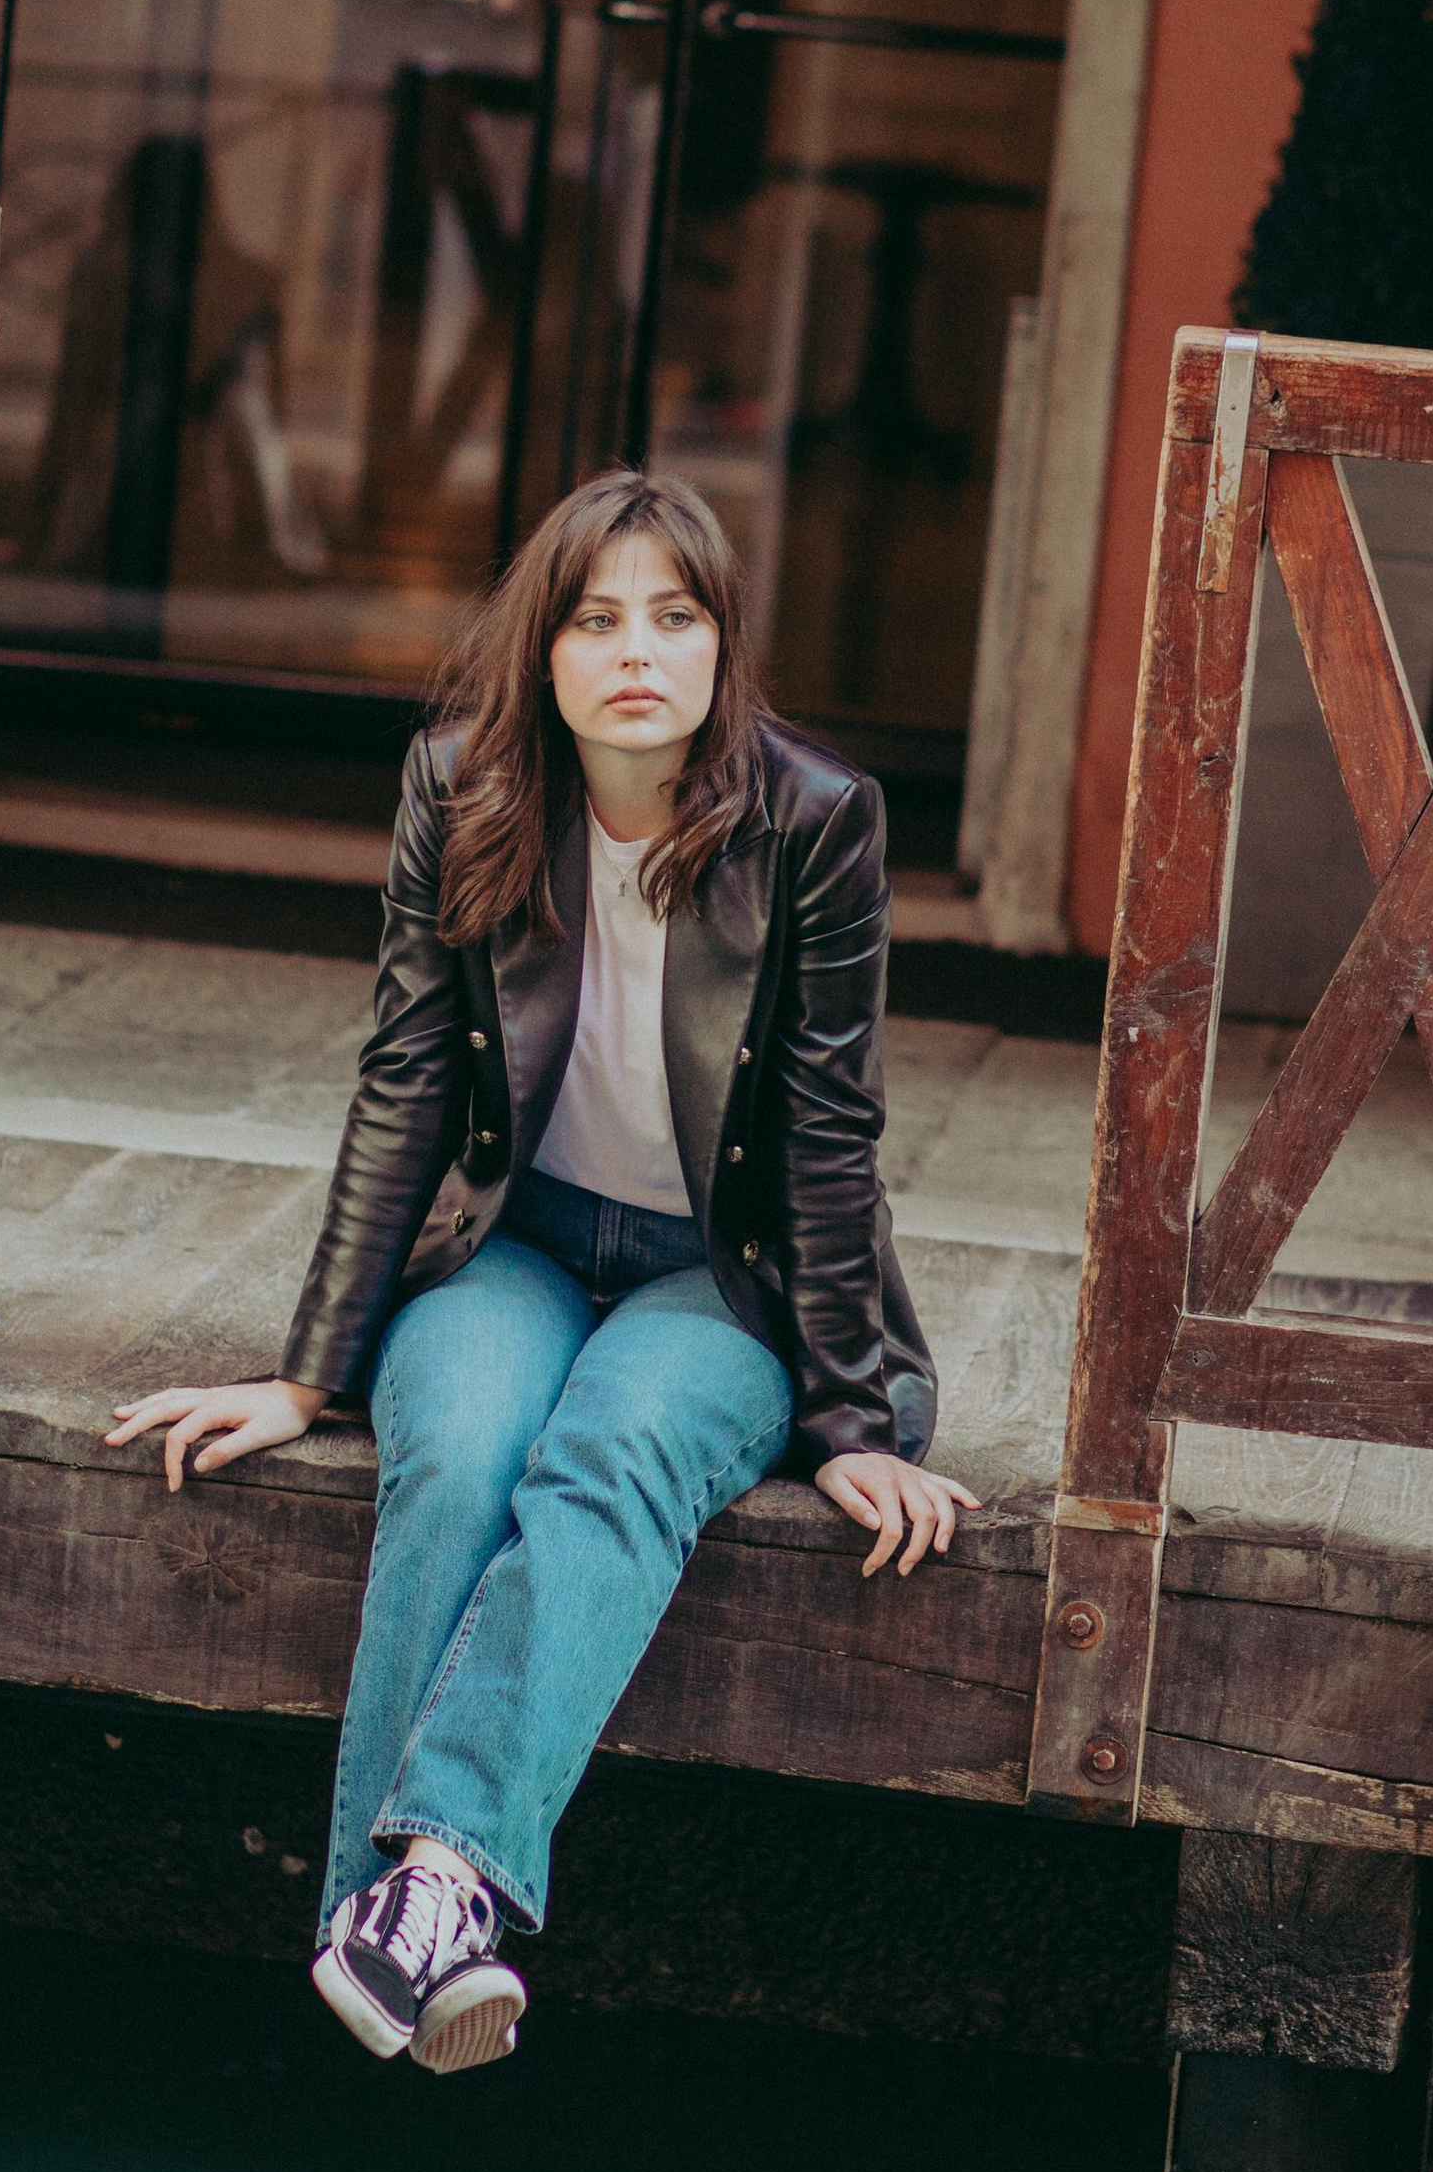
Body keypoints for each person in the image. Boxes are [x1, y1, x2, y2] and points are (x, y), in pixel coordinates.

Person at [106, 471, 977, 2078]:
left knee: (616, 1449)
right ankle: (434, 1930)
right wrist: (307, 1371)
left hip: (723, 1280)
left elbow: (832, 1132)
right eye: (596, 619)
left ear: (722, 645)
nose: (636, 650)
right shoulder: (462, 788)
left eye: (675, 615)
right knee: (455, 1452)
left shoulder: (816, 821)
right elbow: (407, 1076)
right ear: (546, 650)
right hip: (513, 1240)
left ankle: (397, 1907)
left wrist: (855, 1420)